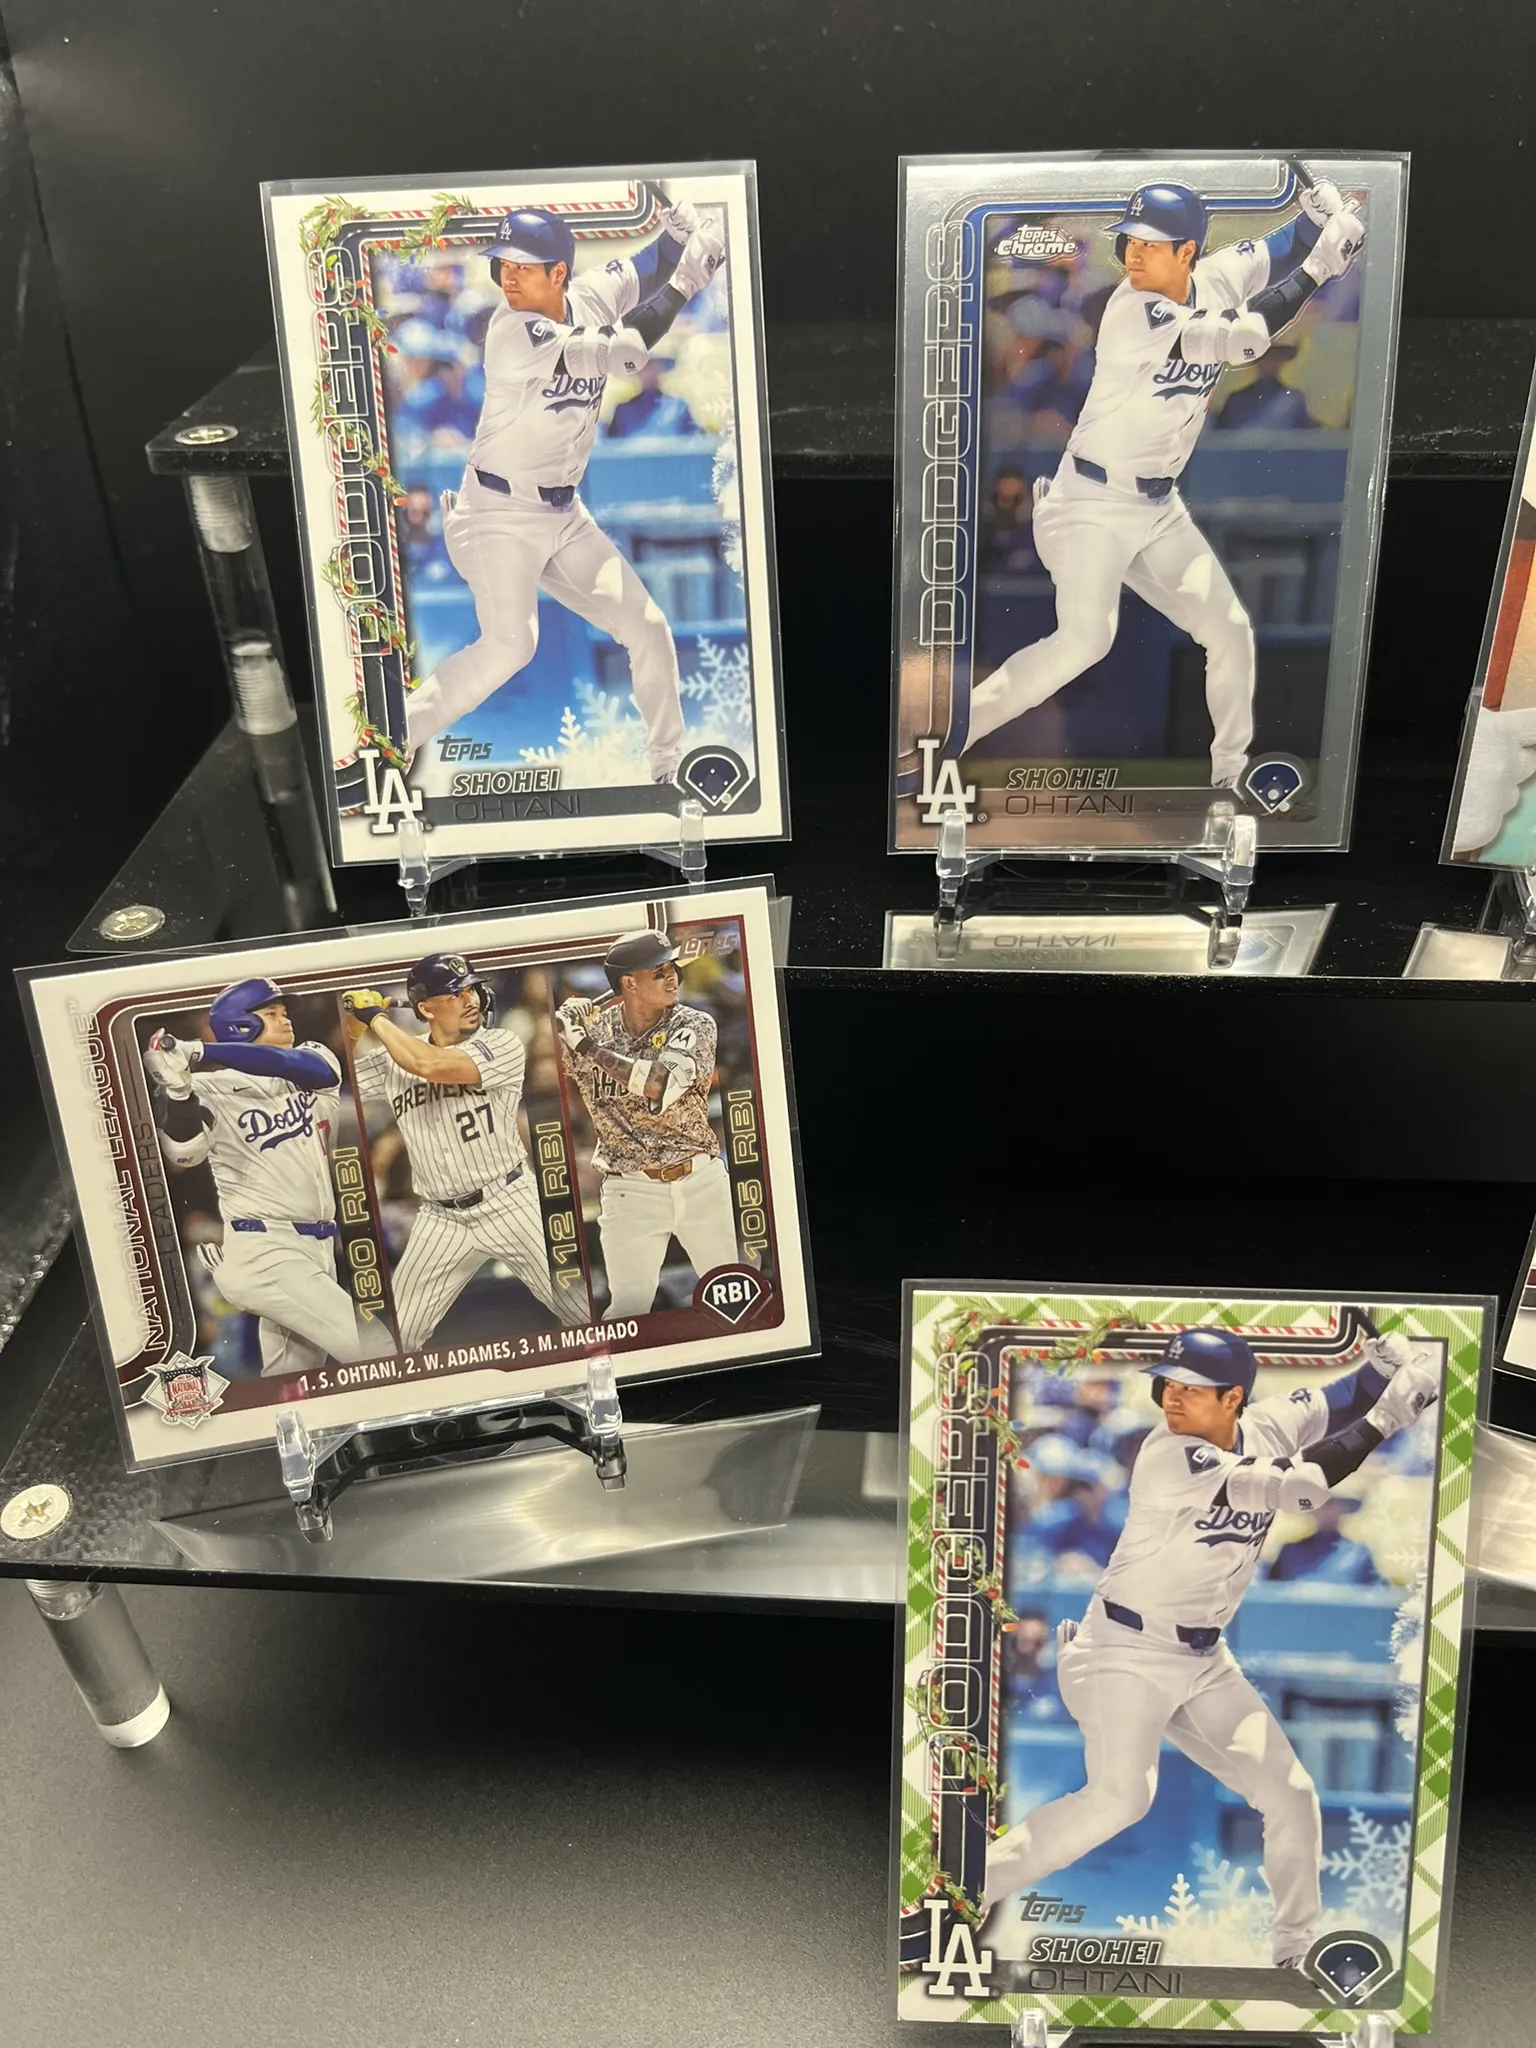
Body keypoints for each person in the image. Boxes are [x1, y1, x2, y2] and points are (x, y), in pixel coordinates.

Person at [982, 1323, 1437, 1971]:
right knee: (1120, 1799)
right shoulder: (1168, 1455)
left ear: (1233, 1398)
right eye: (1168, 1384)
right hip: (1121, 1652)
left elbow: (1343, 1394)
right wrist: (1391, 1417)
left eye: (1192, 1388)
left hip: (1202, 1659)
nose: (1172, 1396)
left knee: (1292, 1796)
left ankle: (1295, 1952)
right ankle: (969, 1889)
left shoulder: (1267, 1425)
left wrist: (1385, 1366)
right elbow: (1304, 1489)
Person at [963, 175, 1365, 790]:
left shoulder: (1218, 276)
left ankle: (1230, 778)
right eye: (1130, 241)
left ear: (1187, 251)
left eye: (1150, 244)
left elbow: (1276, 247)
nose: (1133, 254)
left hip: (1157, 508)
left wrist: (1318, 216)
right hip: (1088, 505)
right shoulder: (1132, 310)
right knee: (1084, 642)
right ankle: (950, 736)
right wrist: (1319, 271)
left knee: (1230, 631)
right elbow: (1243, 340)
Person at [402, 202, 726, 784]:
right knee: (511, 645)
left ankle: (668, 768)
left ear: (558, 273)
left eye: (522, 267)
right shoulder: (511, 331)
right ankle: (396, 735)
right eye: (502, 265)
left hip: (563, 512)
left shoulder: (591, 294)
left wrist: (679, 233)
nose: (507, 277)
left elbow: (648, 263)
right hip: (496, 514)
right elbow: (626, 352)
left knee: (649, 627)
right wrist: (686, 284)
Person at [341, 953, 588, 1349]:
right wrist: (354, 1025)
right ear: (426, 1009)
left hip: (509, 1201)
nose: (471, 999)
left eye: (472, 989)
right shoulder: (394, 1058)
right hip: (440, 1218)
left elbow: (430, 1065)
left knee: (580, 1309)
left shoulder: (500, 1043)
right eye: (456, 993)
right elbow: (337, 1078)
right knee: (390, 1340)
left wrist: (377, 1019)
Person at [144, 978, 380, 1378]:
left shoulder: (312, 1058)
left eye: (284, 1012)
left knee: (294, 1379)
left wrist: (198, 1050)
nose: (286, 1020)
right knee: (376, 1348)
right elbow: (183, 1152)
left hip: (317, 1247)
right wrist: (179, 1093)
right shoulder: (207, 1088)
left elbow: (299, 1066)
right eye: (271, 1014)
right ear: (239, 1025)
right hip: (265, 1250)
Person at [555, 930, 738, 1317]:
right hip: (630, 1189)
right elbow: (544, 1066)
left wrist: (584, 1045)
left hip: (699, 1181)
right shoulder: (594, 1030)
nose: (672, 978)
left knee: (730, 1295)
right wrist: (563, 1024)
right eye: (658, 972)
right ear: (628, 983)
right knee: (627, 1309)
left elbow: (660, 1084)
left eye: (672, 968)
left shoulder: (695, 1023)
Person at [1267, 1488, 1381, 1584]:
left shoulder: (1358, 1555)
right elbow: (1268, 1594)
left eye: (1328, 1503)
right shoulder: (1290, 1553)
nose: (1322, 1509)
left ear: (1342, 1507)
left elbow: (1376, 1597)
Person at [1215, 344, 1319, 431]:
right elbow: (1217, 438)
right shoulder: (1236, 401)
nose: (1267, 362)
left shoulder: (1293, 400)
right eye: (1262, 358)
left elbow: (1309, 436)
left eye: (1273, 357)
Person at [608, 356, 699, 439]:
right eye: (643, 367)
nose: (648, 372)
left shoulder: (678, 408)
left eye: (652, 366)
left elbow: (693, 443)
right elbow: (611, 446)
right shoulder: (623, 411)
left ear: (660, 368)